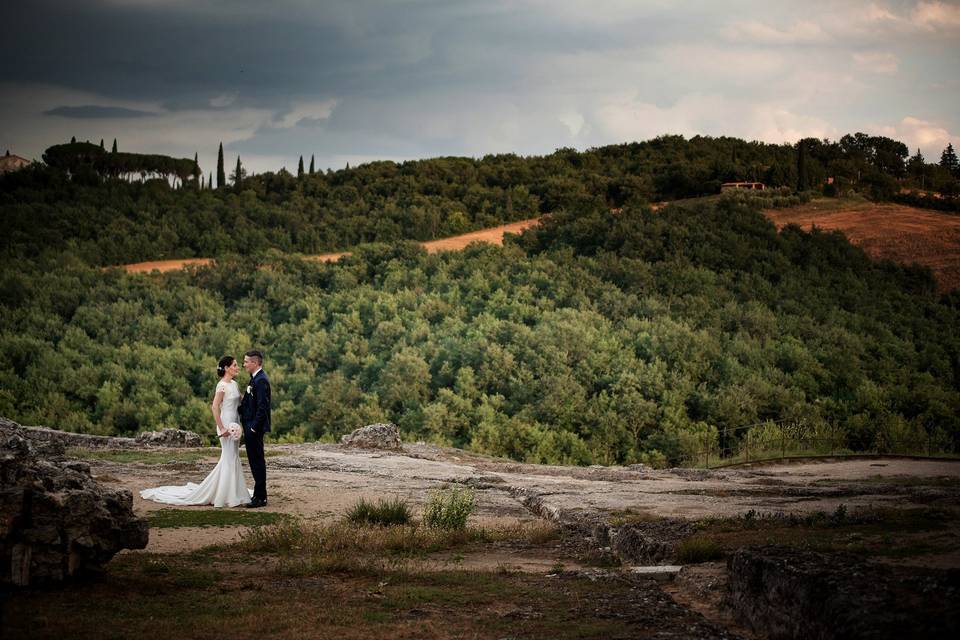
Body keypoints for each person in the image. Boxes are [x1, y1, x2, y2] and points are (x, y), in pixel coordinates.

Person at [140, 356, 252, 508]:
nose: (237, 367)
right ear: (226, 368)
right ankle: (226, 495)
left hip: (235, 424)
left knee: (233, 456)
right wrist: (223, 428)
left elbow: (240, 402)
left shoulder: (235, 384)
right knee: (228, 457)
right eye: (234, 365)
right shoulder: (222, 386)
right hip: (225, 423)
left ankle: (233, 492)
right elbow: (214, 407)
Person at [240, 349, 271, 508]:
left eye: (246, 362)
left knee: (257, 461)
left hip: (254, 428)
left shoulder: (261, 380)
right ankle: (259, 495)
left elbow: (262, 407)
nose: (244, 364)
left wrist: (253, 428)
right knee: (254, 461)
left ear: (254, 362)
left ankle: (260, 498)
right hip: (249, 425)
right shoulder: (254, 379)